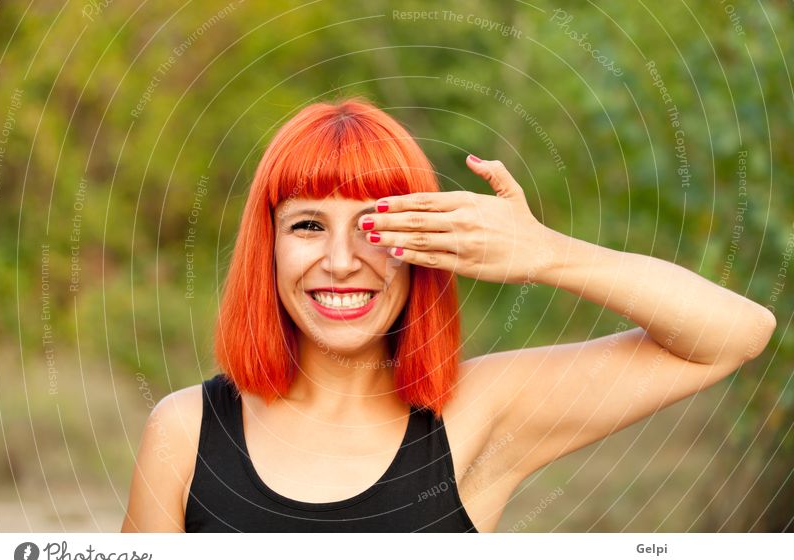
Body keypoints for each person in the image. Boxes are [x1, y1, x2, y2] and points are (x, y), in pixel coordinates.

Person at [121, 96, 776, 533]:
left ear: (421, 249)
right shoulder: (184, 432)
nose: (343, 260)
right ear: (269, 247)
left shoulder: (477, 414)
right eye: (309, 224)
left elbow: (736, 333)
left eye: (376, 226)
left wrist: (546, 255)